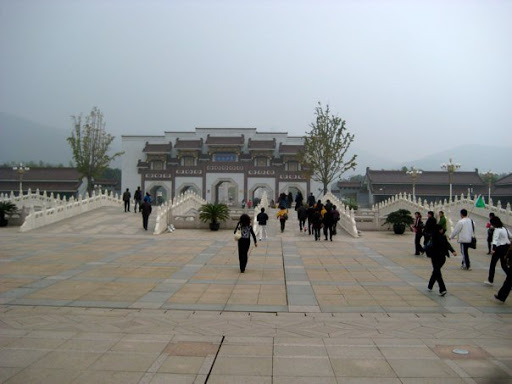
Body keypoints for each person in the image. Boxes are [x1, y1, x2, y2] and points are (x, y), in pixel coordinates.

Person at [426, 224, 457, 296]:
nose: (442, 230)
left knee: (437, 272)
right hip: (440, 257)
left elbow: (447, 244)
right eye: (441, 229)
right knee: (436, 271)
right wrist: (453, 251)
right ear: (439, 230)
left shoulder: (434, 237)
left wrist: (452, 251)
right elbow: (447, 244)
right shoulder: (437, 237)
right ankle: (430, 286)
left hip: (437, 257)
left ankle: (442, 289)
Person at [484, 216, 510, 287]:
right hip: (506, 248)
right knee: (504, 265)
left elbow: (495, 240)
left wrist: (493, 249)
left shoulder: (497, 230)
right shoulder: (505, 228)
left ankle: (490, 280)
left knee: (493, 264)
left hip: (498, 249)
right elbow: (510, 236)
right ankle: (510, 278)